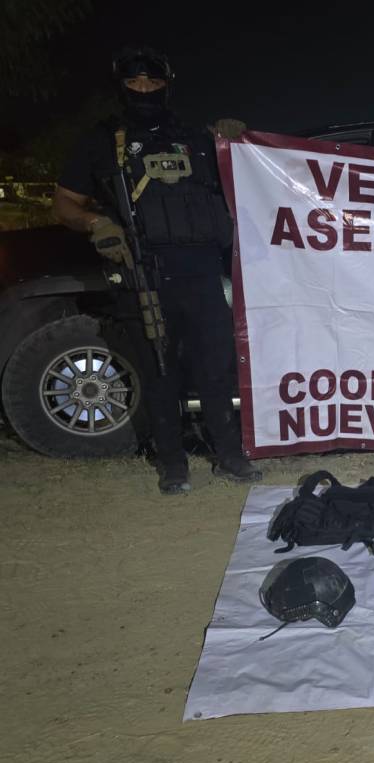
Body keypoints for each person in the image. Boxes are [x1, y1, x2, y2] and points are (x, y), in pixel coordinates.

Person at [52, 46, 261, 494]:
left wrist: (237, 142)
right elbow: (65, 201)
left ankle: (229, 456)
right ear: (120, 87)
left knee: (215, 369)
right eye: (134, 83)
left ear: (167, 86)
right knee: (160, 372)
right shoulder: (101, 141)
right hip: (145, 276)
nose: (144, 90)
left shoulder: (196, 137)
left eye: (152, 82)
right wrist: (96, 223)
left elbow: (250, 180)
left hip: (203, 275)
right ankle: (173, 464)